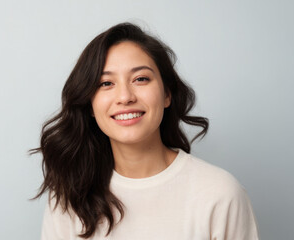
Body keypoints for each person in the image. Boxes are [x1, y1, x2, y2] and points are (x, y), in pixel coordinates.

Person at [32, 22, 259, 239]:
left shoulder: (219, 193)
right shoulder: (70, 197)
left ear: (167, 94)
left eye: (141, 79)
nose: (125, 97)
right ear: (90, 104)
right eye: (106, 83)